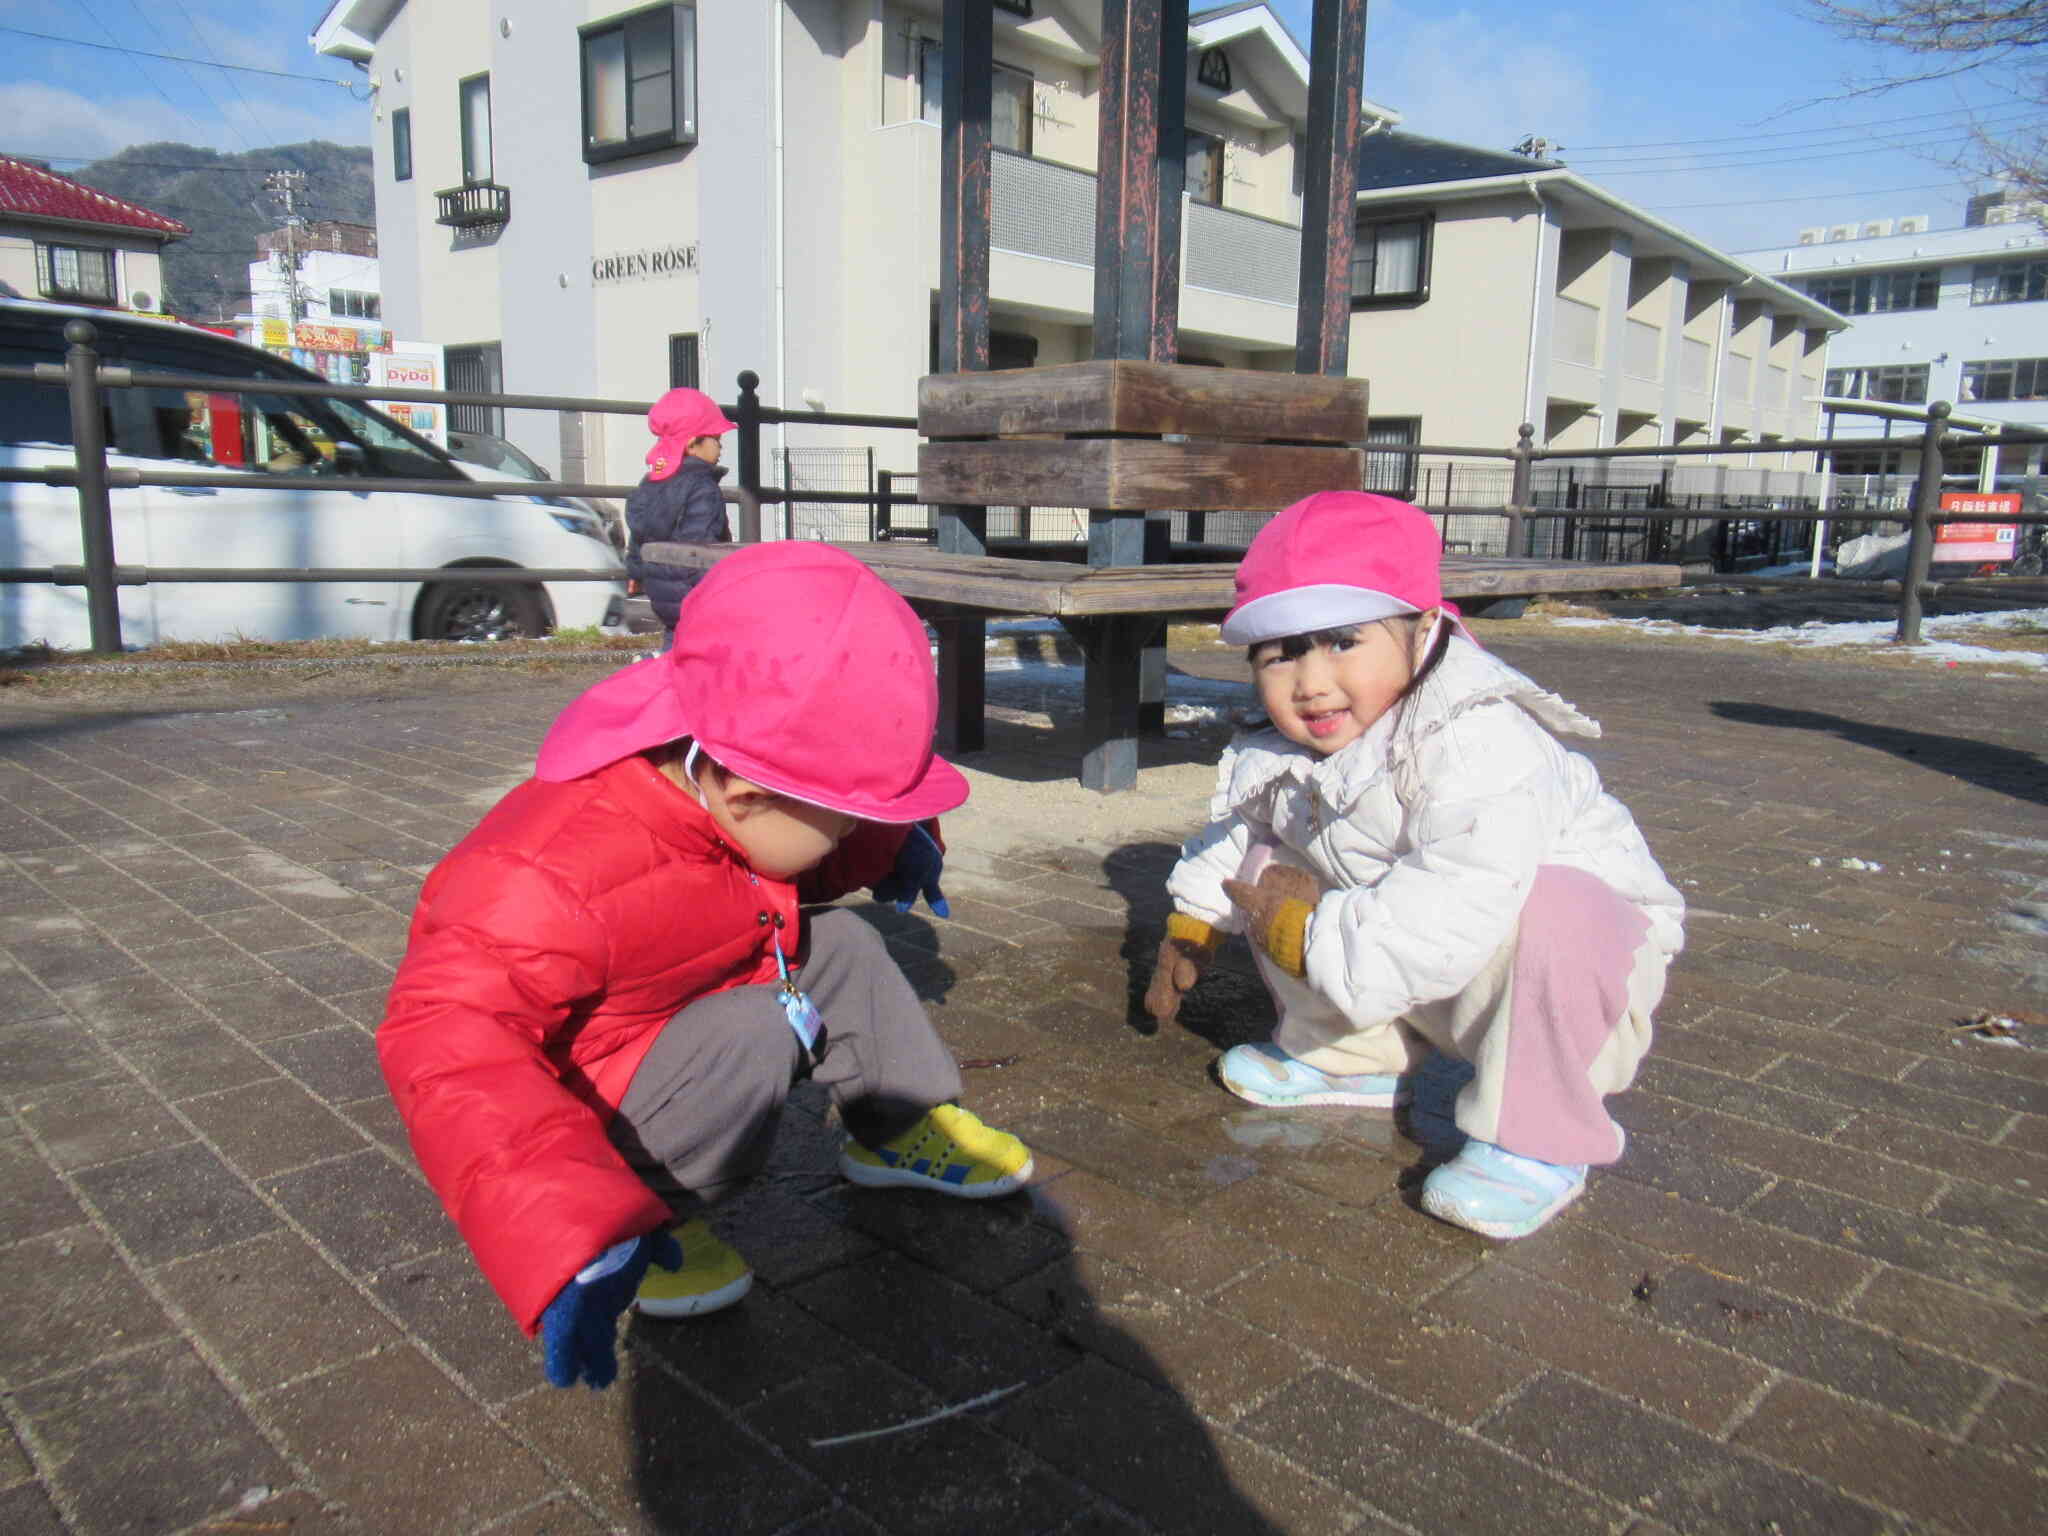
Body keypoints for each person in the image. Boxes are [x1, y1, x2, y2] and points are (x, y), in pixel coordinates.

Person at [379, 542, 1028, 1391]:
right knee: (754, 1029)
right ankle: (653, 1225)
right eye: (848, 817)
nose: (847, 831)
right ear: (743, 794)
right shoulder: (541, 877)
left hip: (680, 1005)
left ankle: (897, 1121)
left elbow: (771, 864)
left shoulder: (718, 773)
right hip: (596, 1106)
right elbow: (448, 1046)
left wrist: (885, 842)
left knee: (839, 944)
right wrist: (572, 1229)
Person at [1145, 492, 1684, 1240]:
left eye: (1342, 640)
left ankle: (1538, 1138)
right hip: (1412, 960)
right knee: (1274, 863)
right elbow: (1239, 833)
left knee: (1563, 913)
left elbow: (1458, 894)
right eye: (1281, 653)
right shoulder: (1288, 746)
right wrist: (1195, 918)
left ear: (1424, 629)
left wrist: (1308, 941)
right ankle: (1349, 1055)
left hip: (1556, 978)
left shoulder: (1476, 740)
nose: (1311, 680)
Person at [625, 386, 735, 652]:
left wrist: (636, 572)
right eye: (716, 438)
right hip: (694, 597)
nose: (721, 446)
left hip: (662, 595)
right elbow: (700, 550)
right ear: (692, 443)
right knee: (703, 659)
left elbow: (639, 532)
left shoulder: (652, 480)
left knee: (674, 650)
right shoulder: (702, 487)